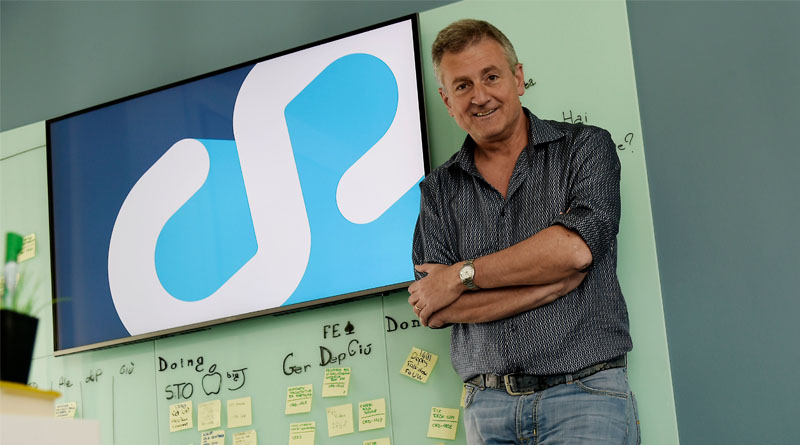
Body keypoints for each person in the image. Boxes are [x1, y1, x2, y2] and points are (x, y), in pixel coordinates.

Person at [408, 19, 639, 444]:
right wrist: (546, 287)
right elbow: (435, 308)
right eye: (462, 86)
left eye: (491, 77)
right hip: (487, 409)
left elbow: (574, 251)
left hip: (585, 396)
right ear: (447, 101)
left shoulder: (584, 148)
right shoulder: (437, 190)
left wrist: (460, 276)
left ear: (517, 78)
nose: (480, 96)